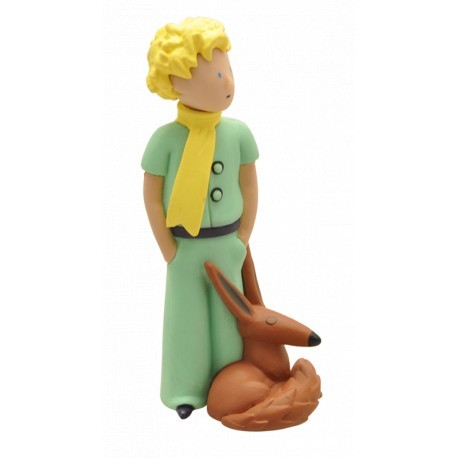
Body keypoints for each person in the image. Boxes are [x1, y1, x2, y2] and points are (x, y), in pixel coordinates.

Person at [142, 17, 259, 419]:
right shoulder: (165, 140)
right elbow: (152, 198)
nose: (228, 83)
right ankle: (185, 389)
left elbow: (249, 187)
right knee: (185, 320)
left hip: (227, 243)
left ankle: (234, 382)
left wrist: (243, 236)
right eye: (217, 74)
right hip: (184, 246)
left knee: (231, 320)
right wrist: (168, 248)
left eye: (227, 70)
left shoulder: (238, 134)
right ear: (176, 80)